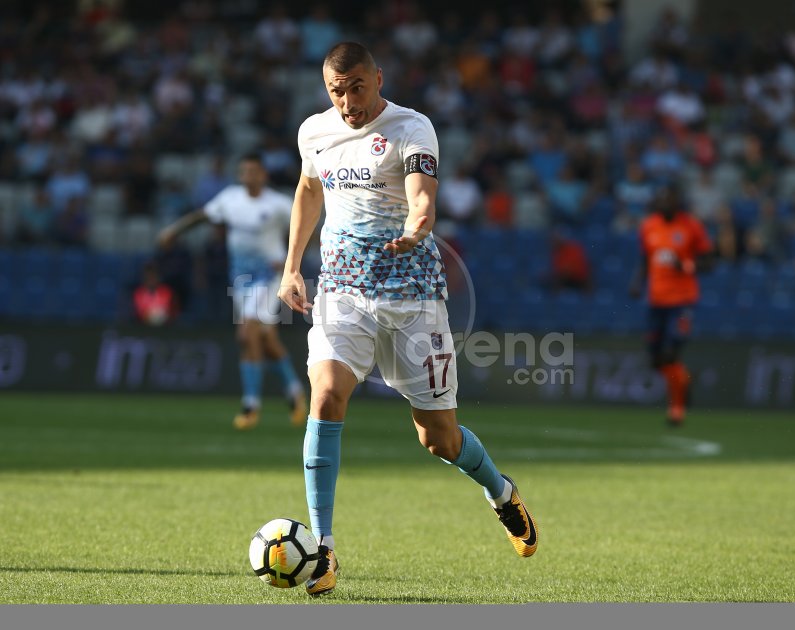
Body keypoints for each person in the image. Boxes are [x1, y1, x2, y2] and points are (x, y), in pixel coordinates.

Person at [277, 42, 538, 598]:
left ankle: (499, 490)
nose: (348, 102)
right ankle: (323, 549)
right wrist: (292, 265)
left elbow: (422, 197)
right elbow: (308, 189)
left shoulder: (412, 128)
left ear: (378, 78)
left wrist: (419, 224)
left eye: (356, 88)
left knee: (438, 439)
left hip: (413, 298)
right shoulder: (314, 132)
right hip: (342, 291)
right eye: (336, 91)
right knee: (326, 396)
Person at [157, 153, 307, 430]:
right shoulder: (230, 199)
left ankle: (250, 406)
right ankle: (295, 391)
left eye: (254, 171)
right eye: (244, 171)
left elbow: (304, 226)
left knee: (245, 334)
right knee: (265, 339)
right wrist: (174, 231)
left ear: (263, 175)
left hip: (268, 276)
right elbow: (203, 216)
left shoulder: (278, 204)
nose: (249, 176)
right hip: (241, 279)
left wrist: (292, 262)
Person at [630, 182, 713, 427]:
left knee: (671, 353)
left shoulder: (691, 226)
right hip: (656, 300)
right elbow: (646, 259)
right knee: (656, 359)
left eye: (669, 199)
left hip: (682, 301)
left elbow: (709, 262)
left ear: (677, 202)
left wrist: (685, 266)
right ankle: (683, 380)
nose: (664, 203)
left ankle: (677, 410)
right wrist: (637, 282)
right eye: (661, 199)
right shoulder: (648, 225)